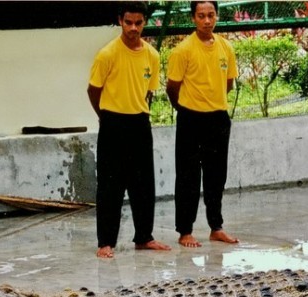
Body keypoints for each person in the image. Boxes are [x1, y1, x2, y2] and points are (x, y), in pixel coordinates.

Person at [87, 1, 170, 259]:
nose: (133, 28)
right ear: (120, 21)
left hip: (140, 123)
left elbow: (148, 92)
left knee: (143, 184)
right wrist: (105, 116)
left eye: (138, 23)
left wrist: (136, 111)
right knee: (110, 185)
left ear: (144, 22)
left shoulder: (152, 55)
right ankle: (105, 242)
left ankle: (144, 237)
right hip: (112, 123)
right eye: (128, 22)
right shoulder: (107, 54)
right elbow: (93, 90)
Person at [166, 1, 239, 248]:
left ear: (216, 16)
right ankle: (185, 231)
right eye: (201, 16)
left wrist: (213, 103)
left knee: (216, 176)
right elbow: (172, 88)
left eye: (211, 15)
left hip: (218, 118)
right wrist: (186, 109)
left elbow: (228, 83)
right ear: (193, 18)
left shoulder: (226, 47)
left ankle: (216, 227)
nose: (207, 21)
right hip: (190, 119)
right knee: (188, 176)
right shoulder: (183, 50)